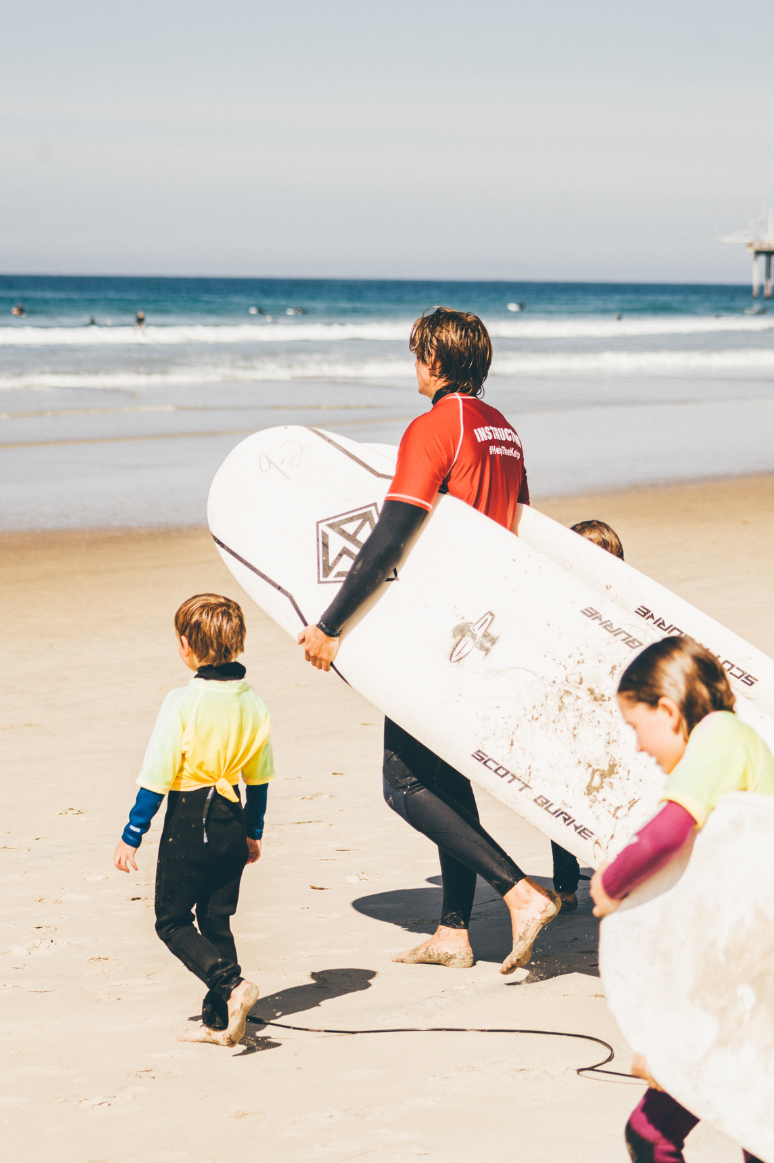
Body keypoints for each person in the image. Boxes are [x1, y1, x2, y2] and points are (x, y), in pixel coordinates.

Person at [297, 307, 560, 974]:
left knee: (404, 781)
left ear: (435, 360)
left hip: (440, 626)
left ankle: (519, 893)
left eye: (417, 355)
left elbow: (393, 532)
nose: (413, 366)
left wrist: (331, 625)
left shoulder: (435, 427)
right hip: (486, 625)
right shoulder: (504, 431)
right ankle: (453, 932)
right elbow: (516, 527)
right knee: (447, 775)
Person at [590, 636, 774, 1163]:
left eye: (637, 726)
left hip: (748, 979)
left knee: (656, 1134)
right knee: (757, 1136)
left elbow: (666, 832)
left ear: (669, 710)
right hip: (752, 975)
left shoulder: (720, 736)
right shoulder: (736, 745)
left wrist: (611, 882)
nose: (638, 747)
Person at [113, 593, 273, 1046]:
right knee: (216, 920)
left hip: (191, 820)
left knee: (173, 921)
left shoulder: (183, 701)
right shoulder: (255, 703)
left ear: (186, 644)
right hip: (232, 817)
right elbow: (259, 780)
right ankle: (220, 1023)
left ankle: (232, 986)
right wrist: (253, 832)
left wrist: (133, 833)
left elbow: (157, 775)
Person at [551, 519, 626, 911]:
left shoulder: (621, 602)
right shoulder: (566, 597)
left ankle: (606, 877)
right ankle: (565, 884)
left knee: (600, 797)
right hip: (573, 712)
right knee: (565, 792)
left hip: (607, 715)